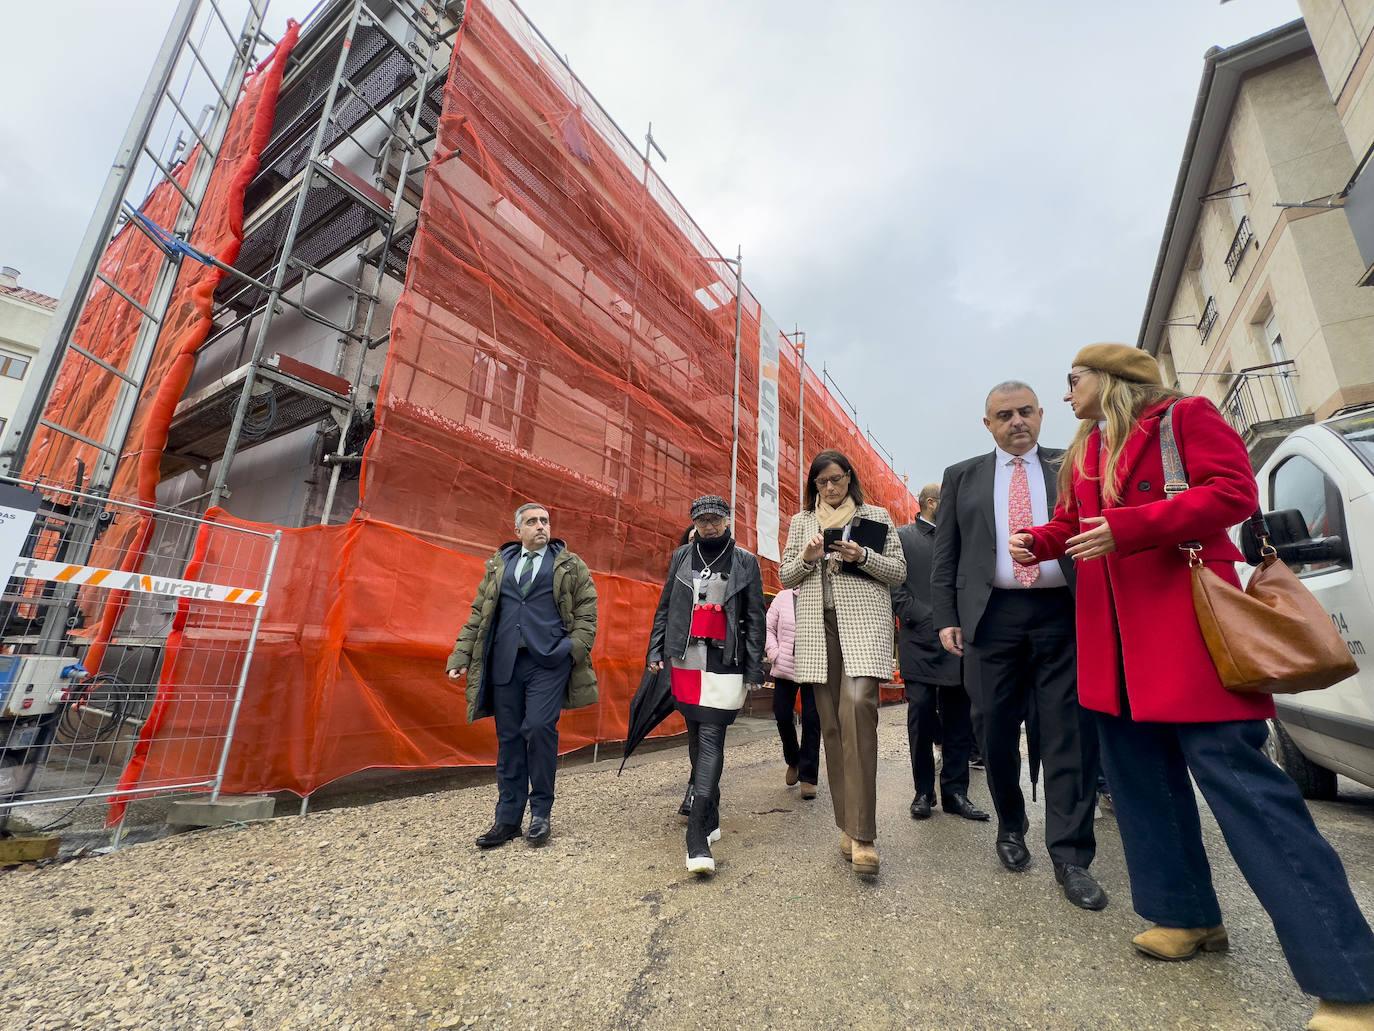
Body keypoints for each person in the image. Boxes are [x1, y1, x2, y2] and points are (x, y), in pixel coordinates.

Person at [1011, 343, 1374, 1031]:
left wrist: (1128, 526)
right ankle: (1186, 916)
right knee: (1144, 792)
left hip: (1192, 640)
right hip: (1114, 656)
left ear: (1112, 378)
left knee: (1252, 797)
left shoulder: (1185, 416)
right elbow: (1080, 528)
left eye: (1073, 379)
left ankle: (1349, 976)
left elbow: (1236, 493)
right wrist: (1044, 539)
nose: (1066, 394)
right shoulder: (1085, 450)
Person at [931, 381, 1105, 912]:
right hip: (992, 618)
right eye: (1004, 415)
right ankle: (1011, 826)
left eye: (1025, 412)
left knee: (1068, 734)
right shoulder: (962, 477)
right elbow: (947, 555)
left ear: (1041, 414)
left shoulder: (1073, 463)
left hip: (1063, 614)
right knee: (993, 731)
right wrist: (947, 617)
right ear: (988, 424)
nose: (1017, 422)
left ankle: (1071, 856)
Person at [780, 449, 906, 876]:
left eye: (836, 480)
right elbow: (784, 577)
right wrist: (809, 557)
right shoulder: (802, 522)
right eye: (821, 483)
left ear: (850, 478)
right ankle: (847, 826)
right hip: (818, 628)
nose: (830, 488)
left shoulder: (876, 516)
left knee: (858, 708)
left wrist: (862, 556)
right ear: (813, 486)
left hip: (864, 623)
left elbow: (898, 572)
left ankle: (865, 833)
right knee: (831, 723)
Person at [447, 503, 599, 849]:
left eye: (544, 521)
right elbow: (478, 615)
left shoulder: (569, 565)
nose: (540, 526)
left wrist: (570, 649)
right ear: (518, 531)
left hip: (548, 662)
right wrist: (461, 656)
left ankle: (541, 812)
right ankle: (507, 819)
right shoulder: (499, 565)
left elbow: (588, 613)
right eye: (532, 522)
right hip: (504, 663)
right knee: (510, 739)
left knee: (540, 728)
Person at [647, 495, 765, 876]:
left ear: (728, 520)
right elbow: (666, 605)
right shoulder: (682, 555)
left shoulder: (745, 561)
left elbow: (754, 616)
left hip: (724, 660)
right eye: (702, 519)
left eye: (716, 519)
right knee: (696, 735)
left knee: (712, 736)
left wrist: (753, 668)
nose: (709, 525)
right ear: (693, 521)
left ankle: (696, 833)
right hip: (685, 658)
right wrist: (655, 648)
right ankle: (711, 814)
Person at [893, 483, 988, 823]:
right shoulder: (902, 537)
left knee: (959, 718)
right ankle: (923, 791)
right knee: (920, 714)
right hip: (918, 640)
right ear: (932, 503)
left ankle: (955, 792)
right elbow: (893, 586)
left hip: (959, 641)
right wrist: (925, 616)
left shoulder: (961, 540)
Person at [766, 587, 819, 799]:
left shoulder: (819, 594)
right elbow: (768, 627)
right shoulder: (782, 597)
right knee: (782, 715)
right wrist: (773, 652)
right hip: (785, 666)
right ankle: (793, 760)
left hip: (814, 666)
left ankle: (808, 776)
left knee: (812, 720)